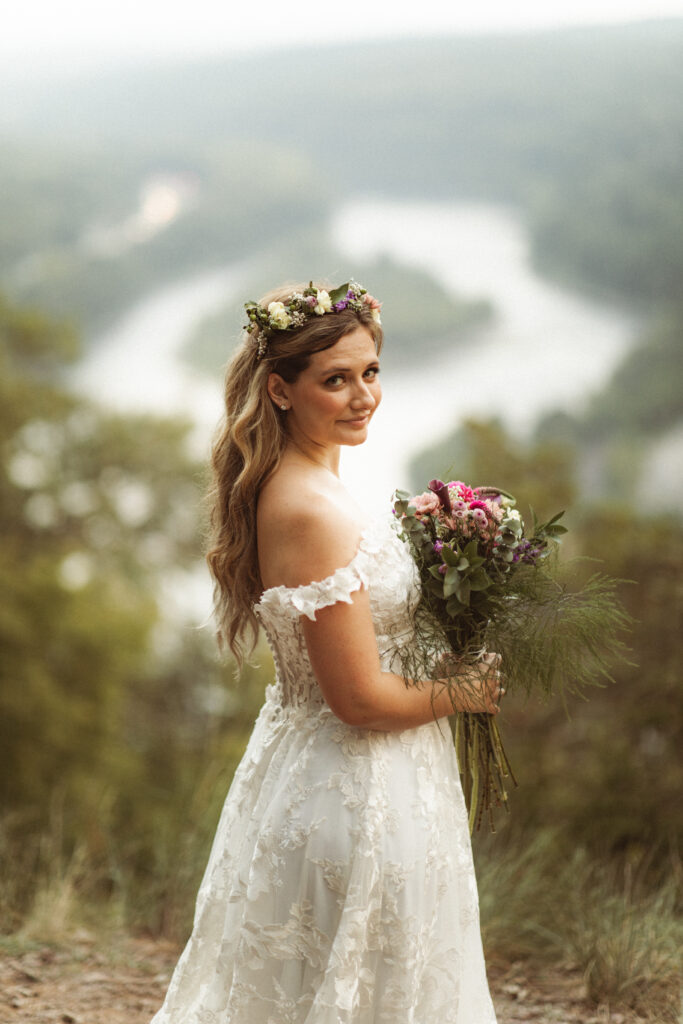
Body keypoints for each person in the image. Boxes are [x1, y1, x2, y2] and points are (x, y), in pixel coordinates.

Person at [151, 280, 502, 1024]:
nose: (361, 396)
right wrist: (464, 690)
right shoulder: (309, 510)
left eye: (369, 372)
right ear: (278, 390)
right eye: (333, 380)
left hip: (332, 772)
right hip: (355, 788)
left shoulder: (311, 480)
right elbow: (359, 700)